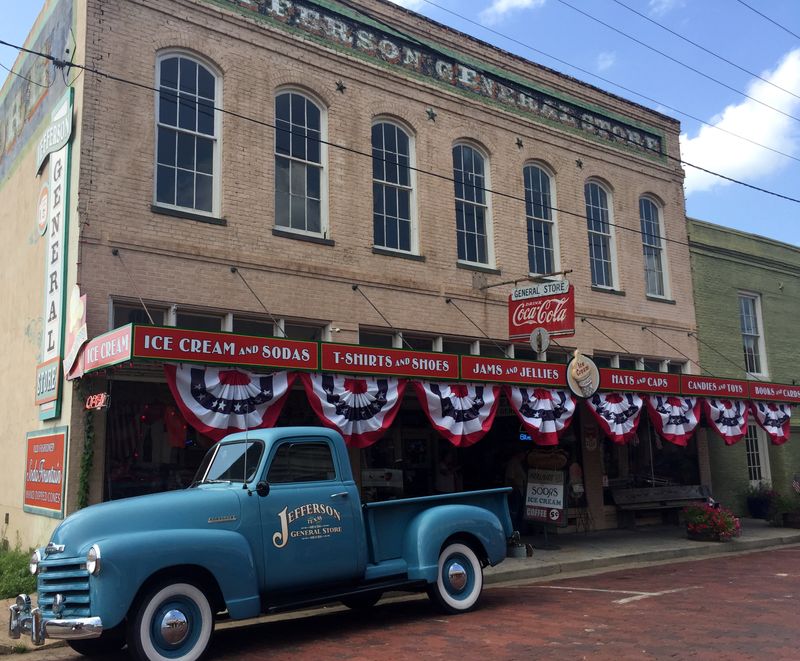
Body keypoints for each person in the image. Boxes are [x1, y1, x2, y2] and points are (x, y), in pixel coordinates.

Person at [505, 451, 528, 529]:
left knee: (519, 510)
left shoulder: (519, 463)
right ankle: (512, 528)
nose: (524, 456)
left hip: (520, 490)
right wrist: (516, 487)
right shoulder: (513, 462)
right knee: (514, 510)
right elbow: (510, 477)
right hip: (515, 490)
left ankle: (518, 528)